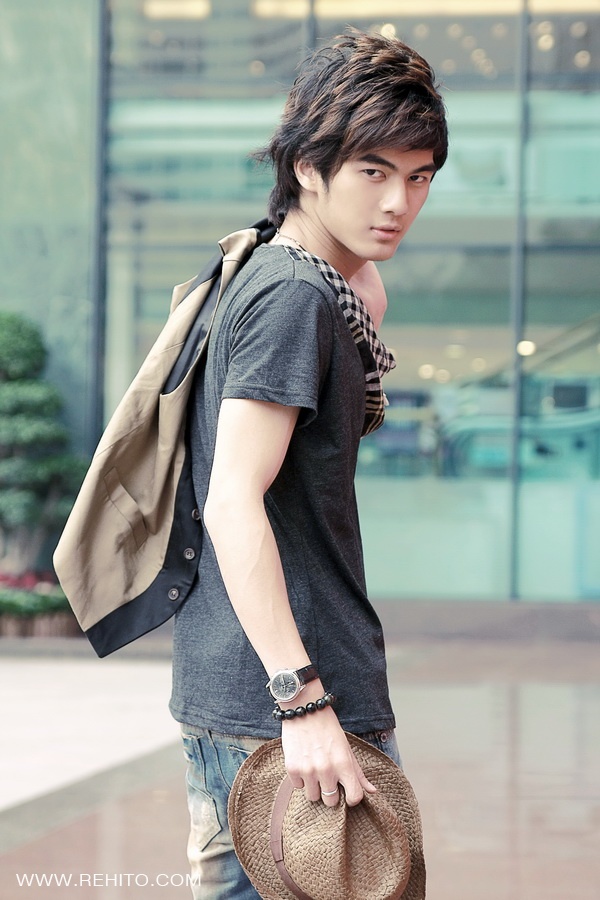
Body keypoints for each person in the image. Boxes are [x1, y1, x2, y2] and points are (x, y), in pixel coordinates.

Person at [169, 29, 448, 898]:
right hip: (287, 711)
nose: (399, 201)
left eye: (420, 176)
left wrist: (361, 298)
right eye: (373, 171)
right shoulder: (295, 295)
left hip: (264, 694)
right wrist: (305, 704)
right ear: (307, 168)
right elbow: (231, 501)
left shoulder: (288, 270)